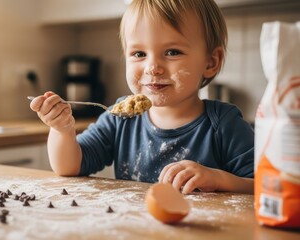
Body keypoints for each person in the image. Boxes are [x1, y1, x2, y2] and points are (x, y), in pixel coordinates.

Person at [29, 0, 254, 194]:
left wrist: (218, 179)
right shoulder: (120, 118)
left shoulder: (223, 124)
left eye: (172, 52)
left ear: (211, 62)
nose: (152, 67)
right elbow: (70, 166)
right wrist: (62, 129)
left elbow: (264, 186)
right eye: (139, 54)